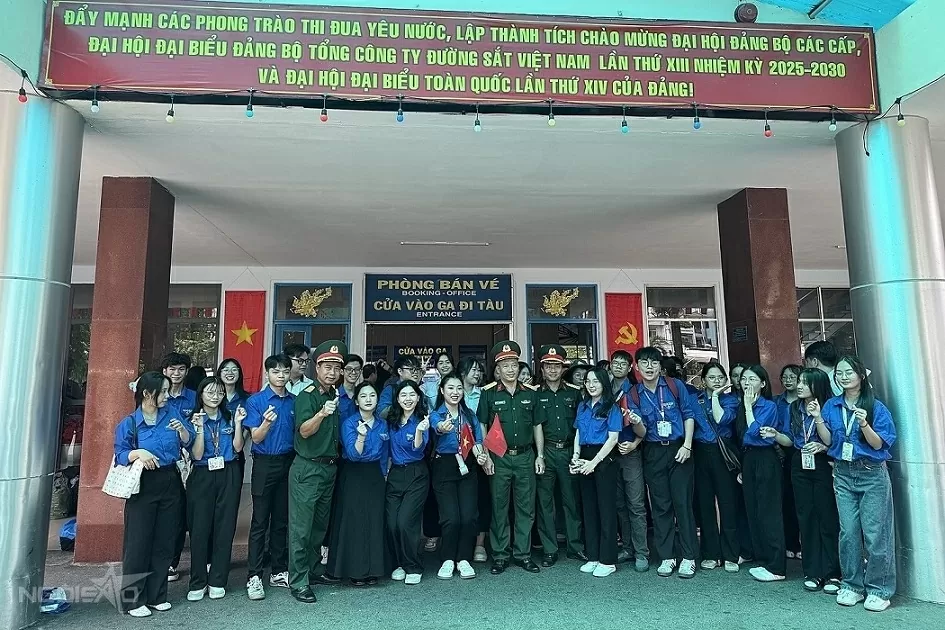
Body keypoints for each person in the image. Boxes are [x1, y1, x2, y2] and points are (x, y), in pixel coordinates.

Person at [818, 355, 897, 612]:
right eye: (839, 373)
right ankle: (852, 585)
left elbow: (878, 444)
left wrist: (863, 423)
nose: (843, 377)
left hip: (871, 473)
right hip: (842, 472)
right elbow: (829, 441)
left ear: (861, 375)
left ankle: (879, 589)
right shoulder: (832, 405)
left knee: (876, 534)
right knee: (849, 532)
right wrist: (818, 417)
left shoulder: (876, 407)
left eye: (848, 372)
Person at [114, 372, 190, 617]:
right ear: (148, 394)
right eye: (164, 391)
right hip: (143, 484)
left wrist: (183, 432)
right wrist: (139, 453)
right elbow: (120, 454)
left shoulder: (171, 415)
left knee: (165, 540)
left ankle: (157, 595)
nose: (168, 396)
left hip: (170, 479)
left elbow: (189, 442)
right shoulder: (130, 422)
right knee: (138, 543)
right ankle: (132, 600)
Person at [627, 346, 699, 579]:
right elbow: (641, 431)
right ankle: (667, 556)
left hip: (679, 449)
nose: (649, 367)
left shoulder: (674, 386)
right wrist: (636, 421)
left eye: (653, 363)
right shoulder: (634, 394)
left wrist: (687, 445)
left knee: (683, 504)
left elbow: (688, 414)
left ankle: (688, 557)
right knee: (660, 506)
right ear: (636, 367)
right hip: (653, 452)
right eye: (644, 363)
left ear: (660, 366)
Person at [287, 340, 347, 602]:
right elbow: (304, 431)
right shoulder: (307, 395)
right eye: (327, 367)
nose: (332, 372)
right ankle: (298, 580)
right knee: (301, 528)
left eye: (337, 367)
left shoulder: (336, 394)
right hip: (308, 469)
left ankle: (312, 569)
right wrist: (322, 413)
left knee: (319, 527)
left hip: (329, 469)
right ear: (317, 368)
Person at [478, 341, 544, 575]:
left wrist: (540, 456)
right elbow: (483, 425)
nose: (510, 369)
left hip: (526, 456)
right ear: (498, 369)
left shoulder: (530, 394)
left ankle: (523, 554)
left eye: (514, 364)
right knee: (499, 507)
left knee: (526, 508)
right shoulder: (488, 395)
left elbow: (537, 425)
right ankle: (500, 555)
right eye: (505, 365)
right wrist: (485, 456)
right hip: (499, 457)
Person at [776, 368, 841, 594]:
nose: (799, 385)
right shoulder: (794, 407)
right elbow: (791, 438)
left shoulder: (831, 406)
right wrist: (774, 435)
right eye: (800, 381)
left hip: (823, 463)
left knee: (827, 517)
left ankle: (833, 573)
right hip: (799, 463)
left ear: (817, 385)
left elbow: (831, 440)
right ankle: (812, 571)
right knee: (806, 517)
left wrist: (818, 418)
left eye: (805, 382)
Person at [185, 376, 245, 602]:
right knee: (200, 529)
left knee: (225, 526)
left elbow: (238, 448)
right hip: (202, 476)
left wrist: (239, 424)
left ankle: (218, 580)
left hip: (228, 472)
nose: (215, 396)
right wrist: (200, 430)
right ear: (200, 395)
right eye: (210, 392)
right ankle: (198, 581)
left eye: (219, 392)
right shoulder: (193, 419)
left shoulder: (229, 416)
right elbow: (197, 455)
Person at [242, 354, 296, 601]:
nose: (281, 375)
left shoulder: (295, 401)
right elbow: (256, 438)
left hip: (289, 462)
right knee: (260, 521)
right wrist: (265, 423)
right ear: (267, 374)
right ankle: (254, 576)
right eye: (276, 371)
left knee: (282, 519)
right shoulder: (257, 401)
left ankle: (278, 570)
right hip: (264, 463)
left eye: (285, 371)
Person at [573, 367, 635, 577]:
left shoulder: (612, 408)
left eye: (596, 381)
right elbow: (578, 432)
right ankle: (593, 555)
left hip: (604, 459)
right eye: (588, 381)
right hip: (585, 456)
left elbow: (613, 439)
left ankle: (608, 560)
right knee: (588, 509)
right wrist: (575, 456)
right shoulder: (582, 406)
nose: (591, 385)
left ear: (604, 384)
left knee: (606, 510)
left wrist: (594, 463)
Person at [430, 373, 491, 580]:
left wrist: (481, 456)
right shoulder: (436, 414)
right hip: (444, 466)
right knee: (451, 518)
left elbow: (475, 441)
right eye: (450, 388)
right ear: (442, 391)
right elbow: (437, 428)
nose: (455, 392)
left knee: (468, 516)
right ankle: (448, 558)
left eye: (458, 388)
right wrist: (442, 427)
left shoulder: (469, 415)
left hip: (468, 465)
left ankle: (464, 559)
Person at [329, 381, 388, 587]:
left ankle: (374, 569)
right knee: (354, 522)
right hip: (354, 474)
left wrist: (384, 476)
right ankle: (355, 571)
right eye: (363, 396)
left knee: (374, 520)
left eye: (372, 395)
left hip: (375, 476)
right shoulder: (349, 423)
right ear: (356, 401)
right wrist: (361, 436)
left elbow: (384, 454)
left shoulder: (382, 424)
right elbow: (353, 455)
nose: (369, 399)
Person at [534, 344, 585, 567]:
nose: (552, 370)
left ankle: (575, 547)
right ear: (542, 369)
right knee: (545, 503)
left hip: (567, 452)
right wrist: (540, 455)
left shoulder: (575, 393)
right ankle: (549, 549)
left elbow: (580, 426)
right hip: (545, 453)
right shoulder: (535, 394)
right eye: (548, 366)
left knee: (571, 501)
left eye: (556, 366)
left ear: (563, 368)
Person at [735, 364, 788, 582]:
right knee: (753, 509)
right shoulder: (740, 405)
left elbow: (756, 433)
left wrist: (748, 408)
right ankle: (763, 559)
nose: (747, 383)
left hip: (766, 459)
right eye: (744, 379)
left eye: (753, 379)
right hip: (748, 459)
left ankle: (777, 566)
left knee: (769, 511)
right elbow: (742, 436)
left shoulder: (768, 406)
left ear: (763, 383)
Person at [693, 362, 741, 573]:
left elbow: (724, 419)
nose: (717, 381)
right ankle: (710, 553)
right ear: (703, 380)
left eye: (720, 377)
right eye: (711, 378)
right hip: (701, 451)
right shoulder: (695, 400)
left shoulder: (731, 399)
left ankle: (730, 553)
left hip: (723, 452)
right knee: (705, 503)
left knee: (728, 502)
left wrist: (715, 396)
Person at [385, 380, 431, 585]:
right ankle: (399, 564)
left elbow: (418, 449)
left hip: (416, 474)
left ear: (418, 397)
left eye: (412, 394)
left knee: (405, 522)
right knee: (392, 523)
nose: (408, 399)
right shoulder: (391, 420)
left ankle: (413, 566)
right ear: (397, 398)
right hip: (394, 474)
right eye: (403, 395)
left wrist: (420, 430)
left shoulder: (423, 420)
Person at [161, 352, 196, 584]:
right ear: (165, 371)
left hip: (192, 460)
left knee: (192, 510)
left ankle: (200, 560)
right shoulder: (158, 397)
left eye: (181, 369)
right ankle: (170, 562)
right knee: (170, 515)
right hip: (166, 461)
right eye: (172, 369)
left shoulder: (194, 397)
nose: (176, 373)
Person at [610, 350, 647, 571]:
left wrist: (634, 443)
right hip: (609, 452)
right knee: (620, 504)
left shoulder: (635, 392)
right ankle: (628, 547)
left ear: (630, 368)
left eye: (624, 364)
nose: (619, 366)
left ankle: (642, 552)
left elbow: (643, 423)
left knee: (635, 503)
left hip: (630, 450)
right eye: (615, 362)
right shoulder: (604, 388)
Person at [457, 356, 489, 563]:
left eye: (479, 371)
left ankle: (480, 544)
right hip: (456, 455)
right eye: (473, 370)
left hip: (480, 451)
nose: (477, 374)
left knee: (482, 499)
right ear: (462, 373)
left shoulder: (483, 394)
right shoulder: (453, 392)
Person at [776, 364, 803, 559]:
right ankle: (790, 542)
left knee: (801, 499)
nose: (788, 380)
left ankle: (802, 544)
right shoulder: (777, 402)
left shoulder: (806, 403)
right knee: (786, 499)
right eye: (784, 377)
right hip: (781, 450)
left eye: (792, 376)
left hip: (802, 450)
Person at [217, 358, 251, 482]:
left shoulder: (247, 399)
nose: (229, 373)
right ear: (220, 373)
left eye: (233, 370)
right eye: (225, 370)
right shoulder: (213, 397)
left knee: (233, 493)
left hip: (236, 453)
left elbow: (248, 426)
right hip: (213, 452)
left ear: (239, 373)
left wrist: (238, 444)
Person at [339, 354, 364, 422]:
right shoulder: (334, 395)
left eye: (357, 369)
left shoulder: (362, 395)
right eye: (349, 369)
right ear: (341, 371)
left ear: (360, 372)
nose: (353, 372)